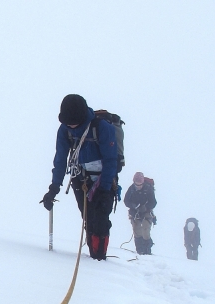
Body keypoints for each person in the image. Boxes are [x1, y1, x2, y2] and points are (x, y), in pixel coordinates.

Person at [40, 94, 119, 260]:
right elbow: (60, 160)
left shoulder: (102, 128)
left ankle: (99, 259)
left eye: (73, 122)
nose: (71, 125)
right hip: (80, 179)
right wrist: (54, 188)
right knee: (88, 218)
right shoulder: (65, 130)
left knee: (100, 219)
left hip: (103, 180)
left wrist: (104, 190)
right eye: (67, 122)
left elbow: (111, 161)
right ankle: (94, 257)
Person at [124, 172, 157, 255]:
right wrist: (133, 206)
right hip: (135, 212)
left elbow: (153, 202)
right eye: (136, 184)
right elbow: (126, 201)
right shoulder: (131, 189)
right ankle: (139, 250)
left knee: (146, 230)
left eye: (140, 184)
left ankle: (147, 250)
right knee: (136, 230)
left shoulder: (148, 189)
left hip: (146, 212)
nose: (138, 186)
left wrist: (145, 207)